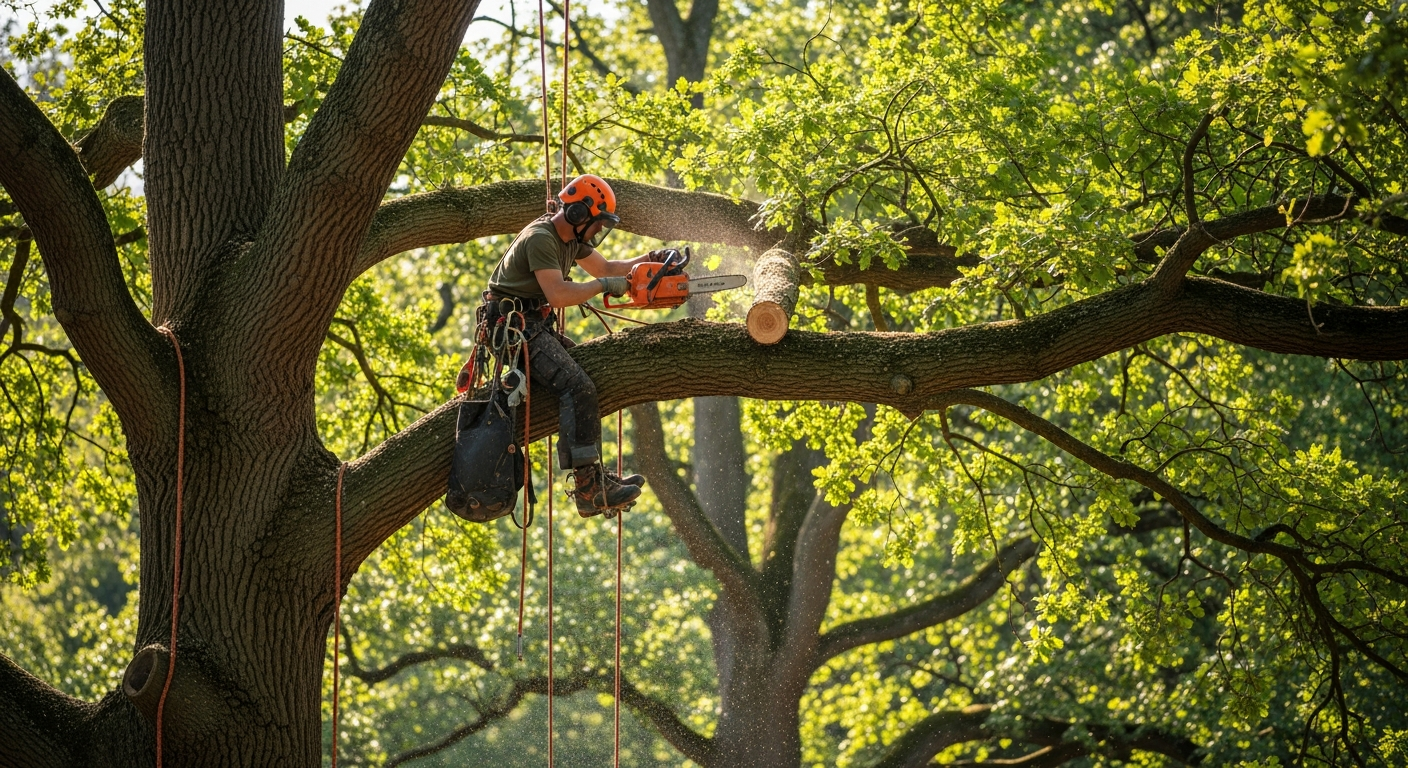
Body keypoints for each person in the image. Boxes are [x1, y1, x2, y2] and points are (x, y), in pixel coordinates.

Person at [481, 174, 662, 517]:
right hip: (513, 331)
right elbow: (560, 295)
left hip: (535, 328)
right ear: (579, 214)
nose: (596, 232)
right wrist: (602, 285)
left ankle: (593, 475)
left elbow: (607, 267)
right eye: (595, 224)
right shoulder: (540, 238)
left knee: (586, 376)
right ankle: (587, 489)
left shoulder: (569, 241)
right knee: (576, 385)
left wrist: (648, 261)